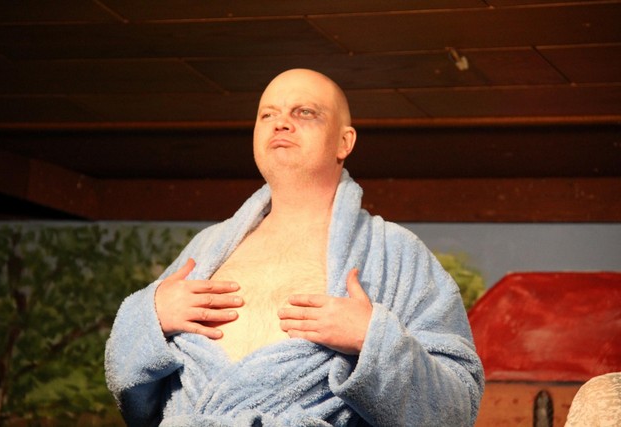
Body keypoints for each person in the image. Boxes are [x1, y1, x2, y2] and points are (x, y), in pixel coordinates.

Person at [105, 68, 484, 426]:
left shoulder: (395, 255)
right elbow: (131, 391)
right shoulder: (205, 248)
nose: (281, 122)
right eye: (267, 114)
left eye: (305, 112)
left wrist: (373, 341)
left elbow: (456, 408)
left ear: (344, 142)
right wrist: (150, 317)